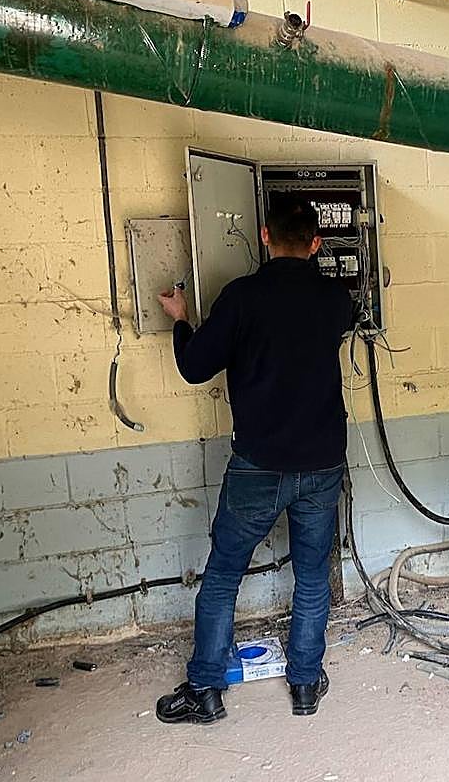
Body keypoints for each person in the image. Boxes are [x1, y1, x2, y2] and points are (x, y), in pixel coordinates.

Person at [154, 198, 353, 724]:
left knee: (223, 574)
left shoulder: (241, 297)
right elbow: (342, 318)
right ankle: (305, 683)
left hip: (258, 465)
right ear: (316, 243)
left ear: (264, 235)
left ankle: (205, 690)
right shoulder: (335, 298)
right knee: (312, 575)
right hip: (322, 464)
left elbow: (195, 367)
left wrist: (181, 319)